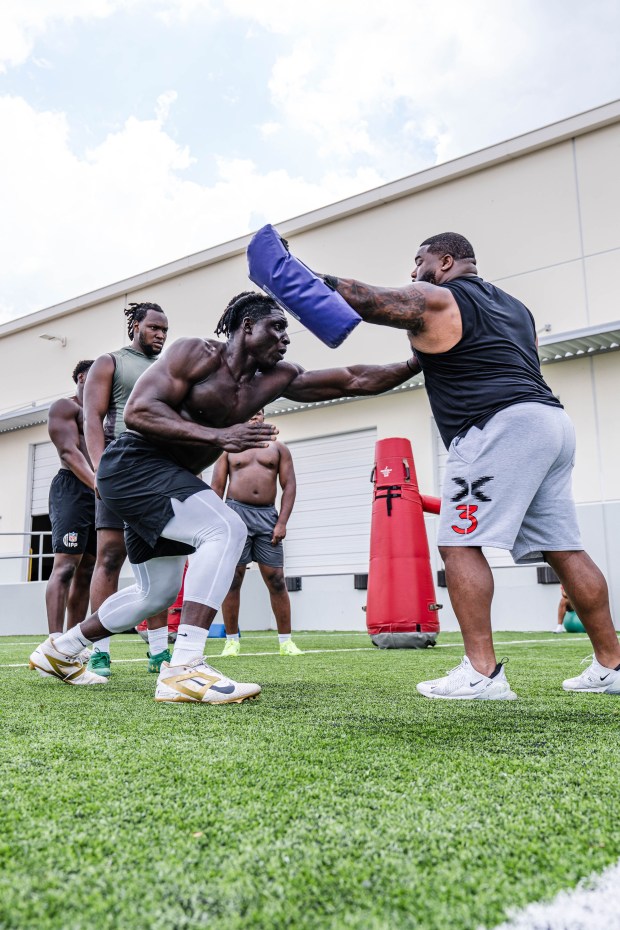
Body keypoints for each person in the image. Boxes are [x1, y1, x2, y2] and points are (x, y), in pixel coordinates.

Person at [29, 290, 419, 703]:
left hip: (170, 477)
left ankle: (61, 649)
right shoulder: (194, 353)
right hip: (134, 464)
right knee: (226, 528)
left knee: (156, 592)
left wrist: (416, 362)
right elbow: (138, 412)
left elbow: (353, 378)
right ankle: (184, 668)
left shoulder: (276, 377)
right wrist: (221, 436)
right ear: (247, 327)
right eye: (278, 328)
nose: (286, 339)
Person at [315, 231, 620, 699]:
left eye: (418, 262)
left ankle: (482, 673)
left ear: (445, 261)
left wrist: (300, 277)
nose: (413, 273)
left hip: (495, 428)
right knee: (564, 547)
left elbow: (372, 300)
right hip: (550, 423)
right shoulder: (517, 309)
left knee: (459, 545)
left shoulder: (437, 296)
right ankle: (612, 664)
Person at [83, 301, 170, 676]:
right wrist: (101, 468)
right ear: (135, 326)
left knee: (160, 559)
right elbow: (92, 417)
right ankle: (99, 650)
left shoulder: (169, 368)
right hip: (121, 469)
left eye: (165, 330)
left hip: (161, 474)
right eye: (154, 328)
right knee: (110, 557)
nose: (161, 335)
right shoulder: (110, 362)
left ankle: (159, 652)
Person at [211, 409, 301, 657]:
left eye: (259, 412)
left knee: (276, 580)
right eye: (250, 411)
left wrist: (282, 522)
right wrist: (218, 522)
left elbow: (289, 485)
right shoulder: (229, 448)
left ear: (263, 416)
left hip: (267, 517)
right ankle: (231, 641)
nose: (254, 416)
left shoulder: (278, 448)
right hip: (235, 514)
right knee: (233, 580)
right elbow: (217, 487)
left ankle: (286, 642)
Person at [44, 360, 96, 639]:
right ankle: (54, 640)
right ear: (80, 377)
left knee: (87, 569)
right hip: (73, 488)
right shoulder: (66, 407)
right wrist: (97, 483)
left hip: (99, 493)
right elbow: (68, 452)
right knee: (66, 565)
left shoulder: (103, 414)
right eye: (94, 374)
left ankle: (72, 643)